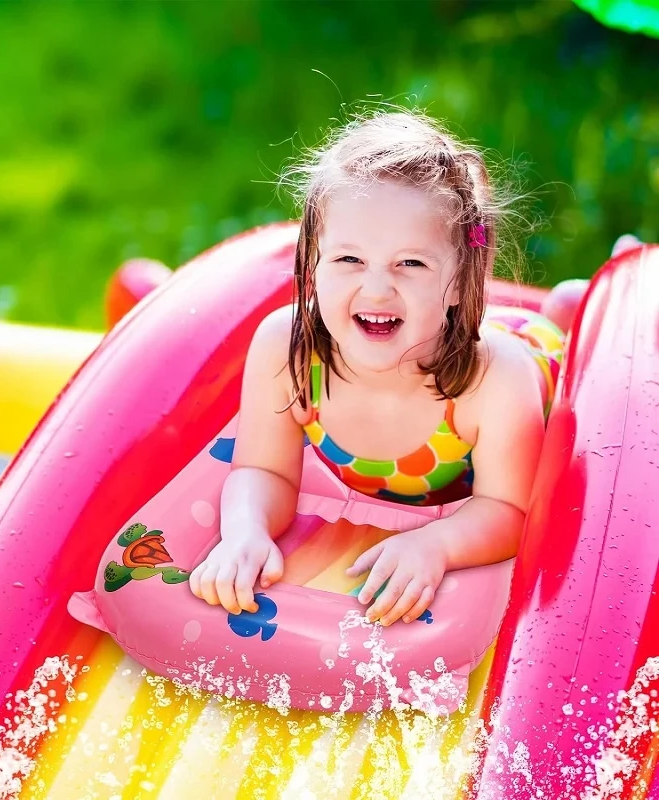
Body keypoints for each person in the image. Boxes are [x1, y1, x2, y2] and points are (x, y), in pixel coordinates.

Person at [189, 110, 564, 628]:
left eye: (411, 264)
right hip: (435, 323)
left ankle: (572, 308)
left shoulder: (493, 381)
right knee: (427, 318)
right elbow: (264, 469)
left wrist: (437, 544)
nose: (377, 288)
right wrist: (246, 531)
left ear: (458, 281)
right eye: (348, 260)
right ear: (313, 264)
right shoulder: (288, 349)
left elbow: (508, 509)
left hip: (531, 360)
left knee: (565, 341)